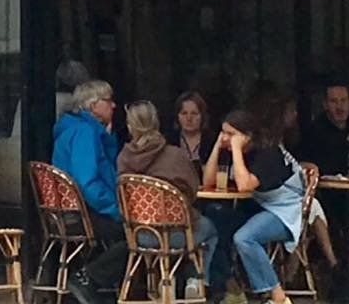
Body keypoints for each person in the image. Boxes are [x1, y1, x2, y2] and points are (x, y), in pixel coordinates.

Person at [205, 106, 306, 304]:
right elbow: (208, 181)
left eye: (231, 134)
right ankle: (230, 285)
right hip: (258, 207)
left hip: (284, 211)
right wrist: (217, 147)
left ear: (247, 136)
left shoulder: (268, 153)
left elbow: (244, 186)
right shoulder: (230, 150)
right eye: (223, 132)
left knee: (244, 238)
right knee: (214, 222)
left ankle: (278, 296)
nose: (226, 138)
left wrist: (235, 148)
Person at [119, 99, 218, 281]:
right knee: (210, 229)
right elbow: (193, 191)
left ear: (130, 126)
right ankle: (195, 282)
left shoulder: (123, 158)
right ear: (156, 122)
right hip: (178, 235)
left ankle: (155, 285)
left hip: (139, 236)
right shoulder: (175, 155)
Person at [52, 79, 129, 304]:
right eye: (108, 100)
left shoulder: (76, 129)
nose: (114, 106)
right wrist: (117, 211)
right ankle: (87, 278)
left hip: (71, 212)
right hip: (81, 213)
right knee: (139, 237)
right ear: (93, 105)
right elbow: (88, 183)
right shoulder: (84, 133)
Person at [300, 80, 349, 177]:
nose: (339, 106)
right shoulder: (315, 132)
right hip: (330, 189)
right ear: (325, 105)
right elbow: (327, 167)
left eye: (343, 100)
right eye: (333, 101)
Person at [171, 91, 214, 171]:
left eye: (194, 113)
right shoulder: (169, 142)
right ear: (178, 117)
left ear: (202, 116)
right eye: (184, 113)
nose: (189, 118)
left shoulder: (213, 142)